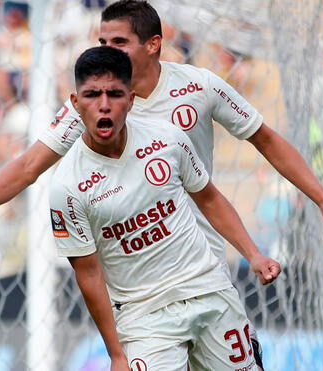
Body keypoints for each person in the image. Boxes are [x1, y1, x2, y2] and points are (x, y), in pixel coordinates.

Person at [0, 0, 323, 368]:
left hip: (204, 267)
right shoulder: (93, 105)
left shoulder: (198, 87)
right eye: (102, 42)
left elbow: (266, 139)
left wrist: (322, 199)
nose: (106, 50)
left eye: (117, 43)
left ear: (152, 44)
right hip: (141, 292)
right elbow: (29, 164)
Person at [50, 45, 280, 370]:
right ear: (75, 103)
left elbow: (210, 198)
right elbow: (88, 273)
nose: (103, 106)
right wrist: (117, 354)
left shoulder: (168, 138)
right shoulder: (67, 187)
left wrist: (253, 254)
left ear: (130, 99)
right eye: (91, 95)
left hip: (208, 289)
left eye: (114, 94)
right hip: (144, 317)